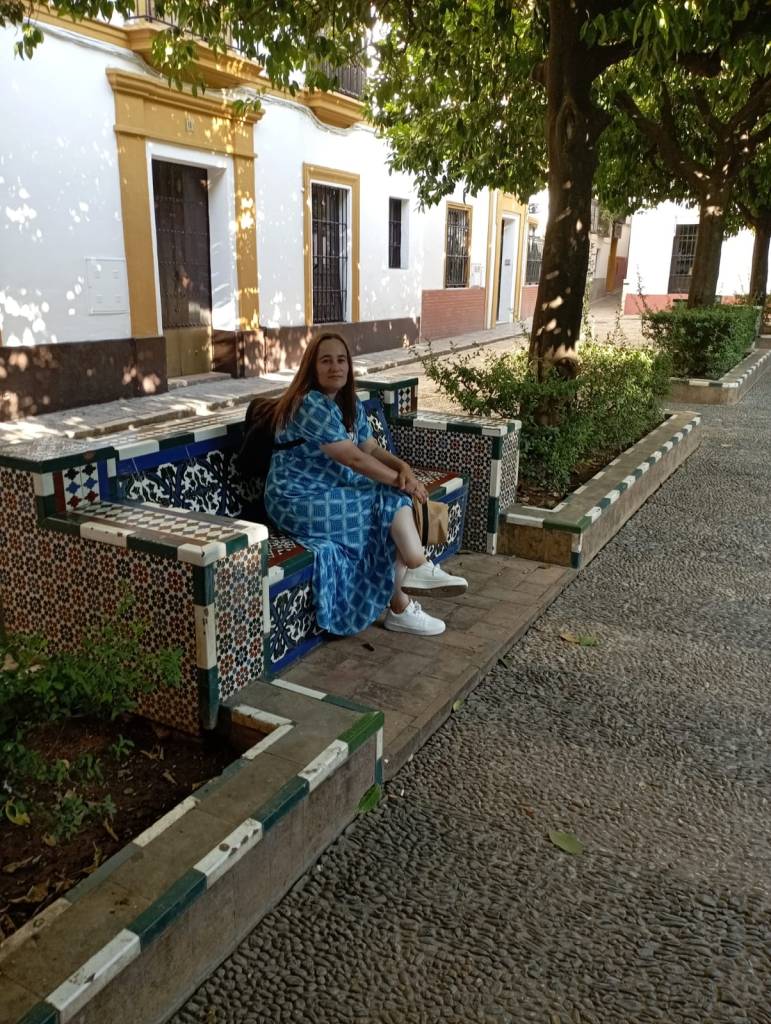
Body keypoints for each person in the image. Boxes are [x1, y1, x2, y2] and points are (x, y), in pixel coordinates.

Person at [264, 332, 467, 637]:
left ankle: (408, 591)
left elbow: (368, 447)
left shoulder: (347, 403)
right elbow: (353, 459)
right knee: (386, 505)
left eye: (341, 360)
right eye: (326, 361)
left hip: (331, 489)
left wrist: (402, 468)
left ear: (349, 365)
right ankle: (408, 587)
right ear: (312, 368)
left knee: (389, 505)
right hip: (296, 498)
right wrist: (403, 483)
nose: (335, 367)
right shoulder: (309, 404)